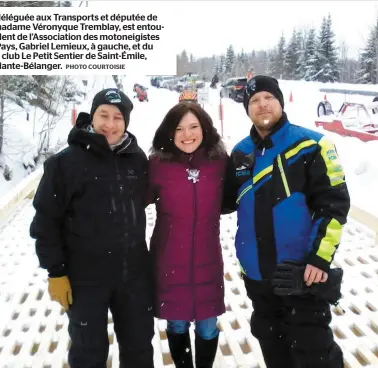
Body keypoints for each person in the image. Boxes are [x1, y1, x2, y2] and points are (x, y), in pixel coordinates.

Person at [223, 75, 351, 368]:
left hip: (302, 276)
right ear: (247, 109)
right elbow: (222, 202)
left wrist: (319, 259)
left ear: (280, 101)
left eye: (268, 97)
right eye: (254, 100)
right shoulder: (240, 153)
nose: (262, 104)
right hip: (257, 277)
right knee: (274, 351)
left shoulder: (313, 145)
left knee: (315, 354)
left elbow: (334, 206)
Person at [29, 88, 155, 368]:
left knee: (139, 350)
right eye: (104, 115)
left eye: (118, 118)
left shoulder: (137, 160)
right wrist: (56, 271)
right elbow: (46, 220)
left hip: (133, 274)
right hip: (85, 278)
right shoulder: (65, 163)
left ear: (126, 122)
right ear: (92, 116)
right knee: (88, 353)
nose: (110, 124)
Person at [147, 102, 228, 368]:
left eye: (194, 127)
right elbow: (131, 198)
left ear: (205, 129)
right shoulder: (157, 164)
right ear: (169, 132)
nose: (187, 134)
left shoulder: (219, 162)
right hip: (170, 261)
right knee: (177, 323)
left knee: (207, 327)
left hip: (208, 259)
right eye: (179, 128)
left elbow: (239, 195)